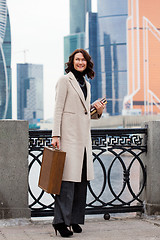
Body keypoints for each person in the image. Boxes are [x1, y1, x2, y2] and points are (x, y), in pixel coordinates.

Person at [51, 49, 104, 237]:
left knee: (81, 183)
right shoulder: (64, 81)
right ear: (71, 62)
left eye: (83, 60)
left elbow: (85, 114)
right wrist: (55, 135)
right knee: (66, 184)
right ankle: (60, 222)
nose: (80, 62)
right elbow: (58, 110)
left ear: (87, 63)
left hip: (83, 140)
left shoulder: (86, 85)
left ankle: (74, 220)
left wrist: (97, 110)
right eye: (77, 59)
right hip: (68, 138)